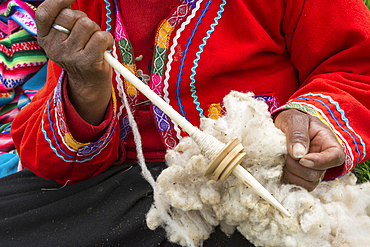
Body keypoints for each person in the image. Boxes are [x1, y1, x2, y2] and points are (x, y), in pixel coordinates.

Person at [1, 0, 370, 246]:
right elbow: (46, 158)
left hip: (254, 192)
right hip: (119, 189)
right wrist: (86, 90)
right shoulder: (86, 7)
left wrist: (314, 115)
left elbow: (354, 64)